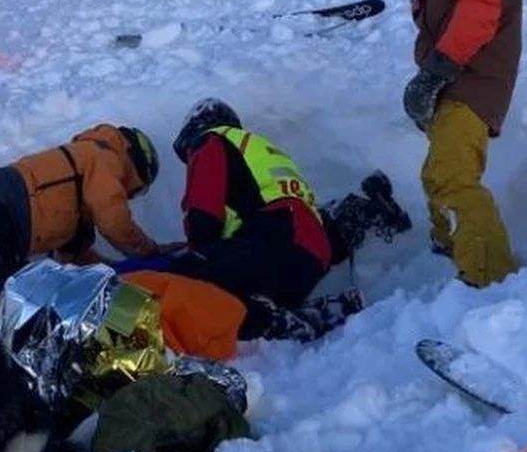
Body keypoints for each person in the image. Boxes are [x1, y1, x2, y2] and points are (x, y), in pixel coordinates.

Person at [381, 0, 522, 287]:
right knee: (438, 175)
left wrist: (435, 73)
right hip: (461, 80)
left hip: (469, 78)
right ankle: (454, 265)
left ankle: (489, 286)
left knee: (453, 178)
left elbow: (481, 8)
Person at [153, 98, 410, 342]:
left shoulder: (211, 140)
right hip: (311, 254)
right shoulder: (265, 154)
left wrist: (200, 258)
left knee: (185, 280)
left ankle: (282, 321)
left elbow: (203, 210)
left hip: (273, 240)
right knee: (244, 290)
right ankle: (314, 308)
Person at [0, 123, 169, 314]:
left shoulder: (77, 207)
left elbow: (80, 265)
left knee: (11, 300)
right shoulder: (104, 157)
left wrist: (120, 274)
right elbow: (115, 223)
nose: (129, 195)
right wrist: (151, 254)